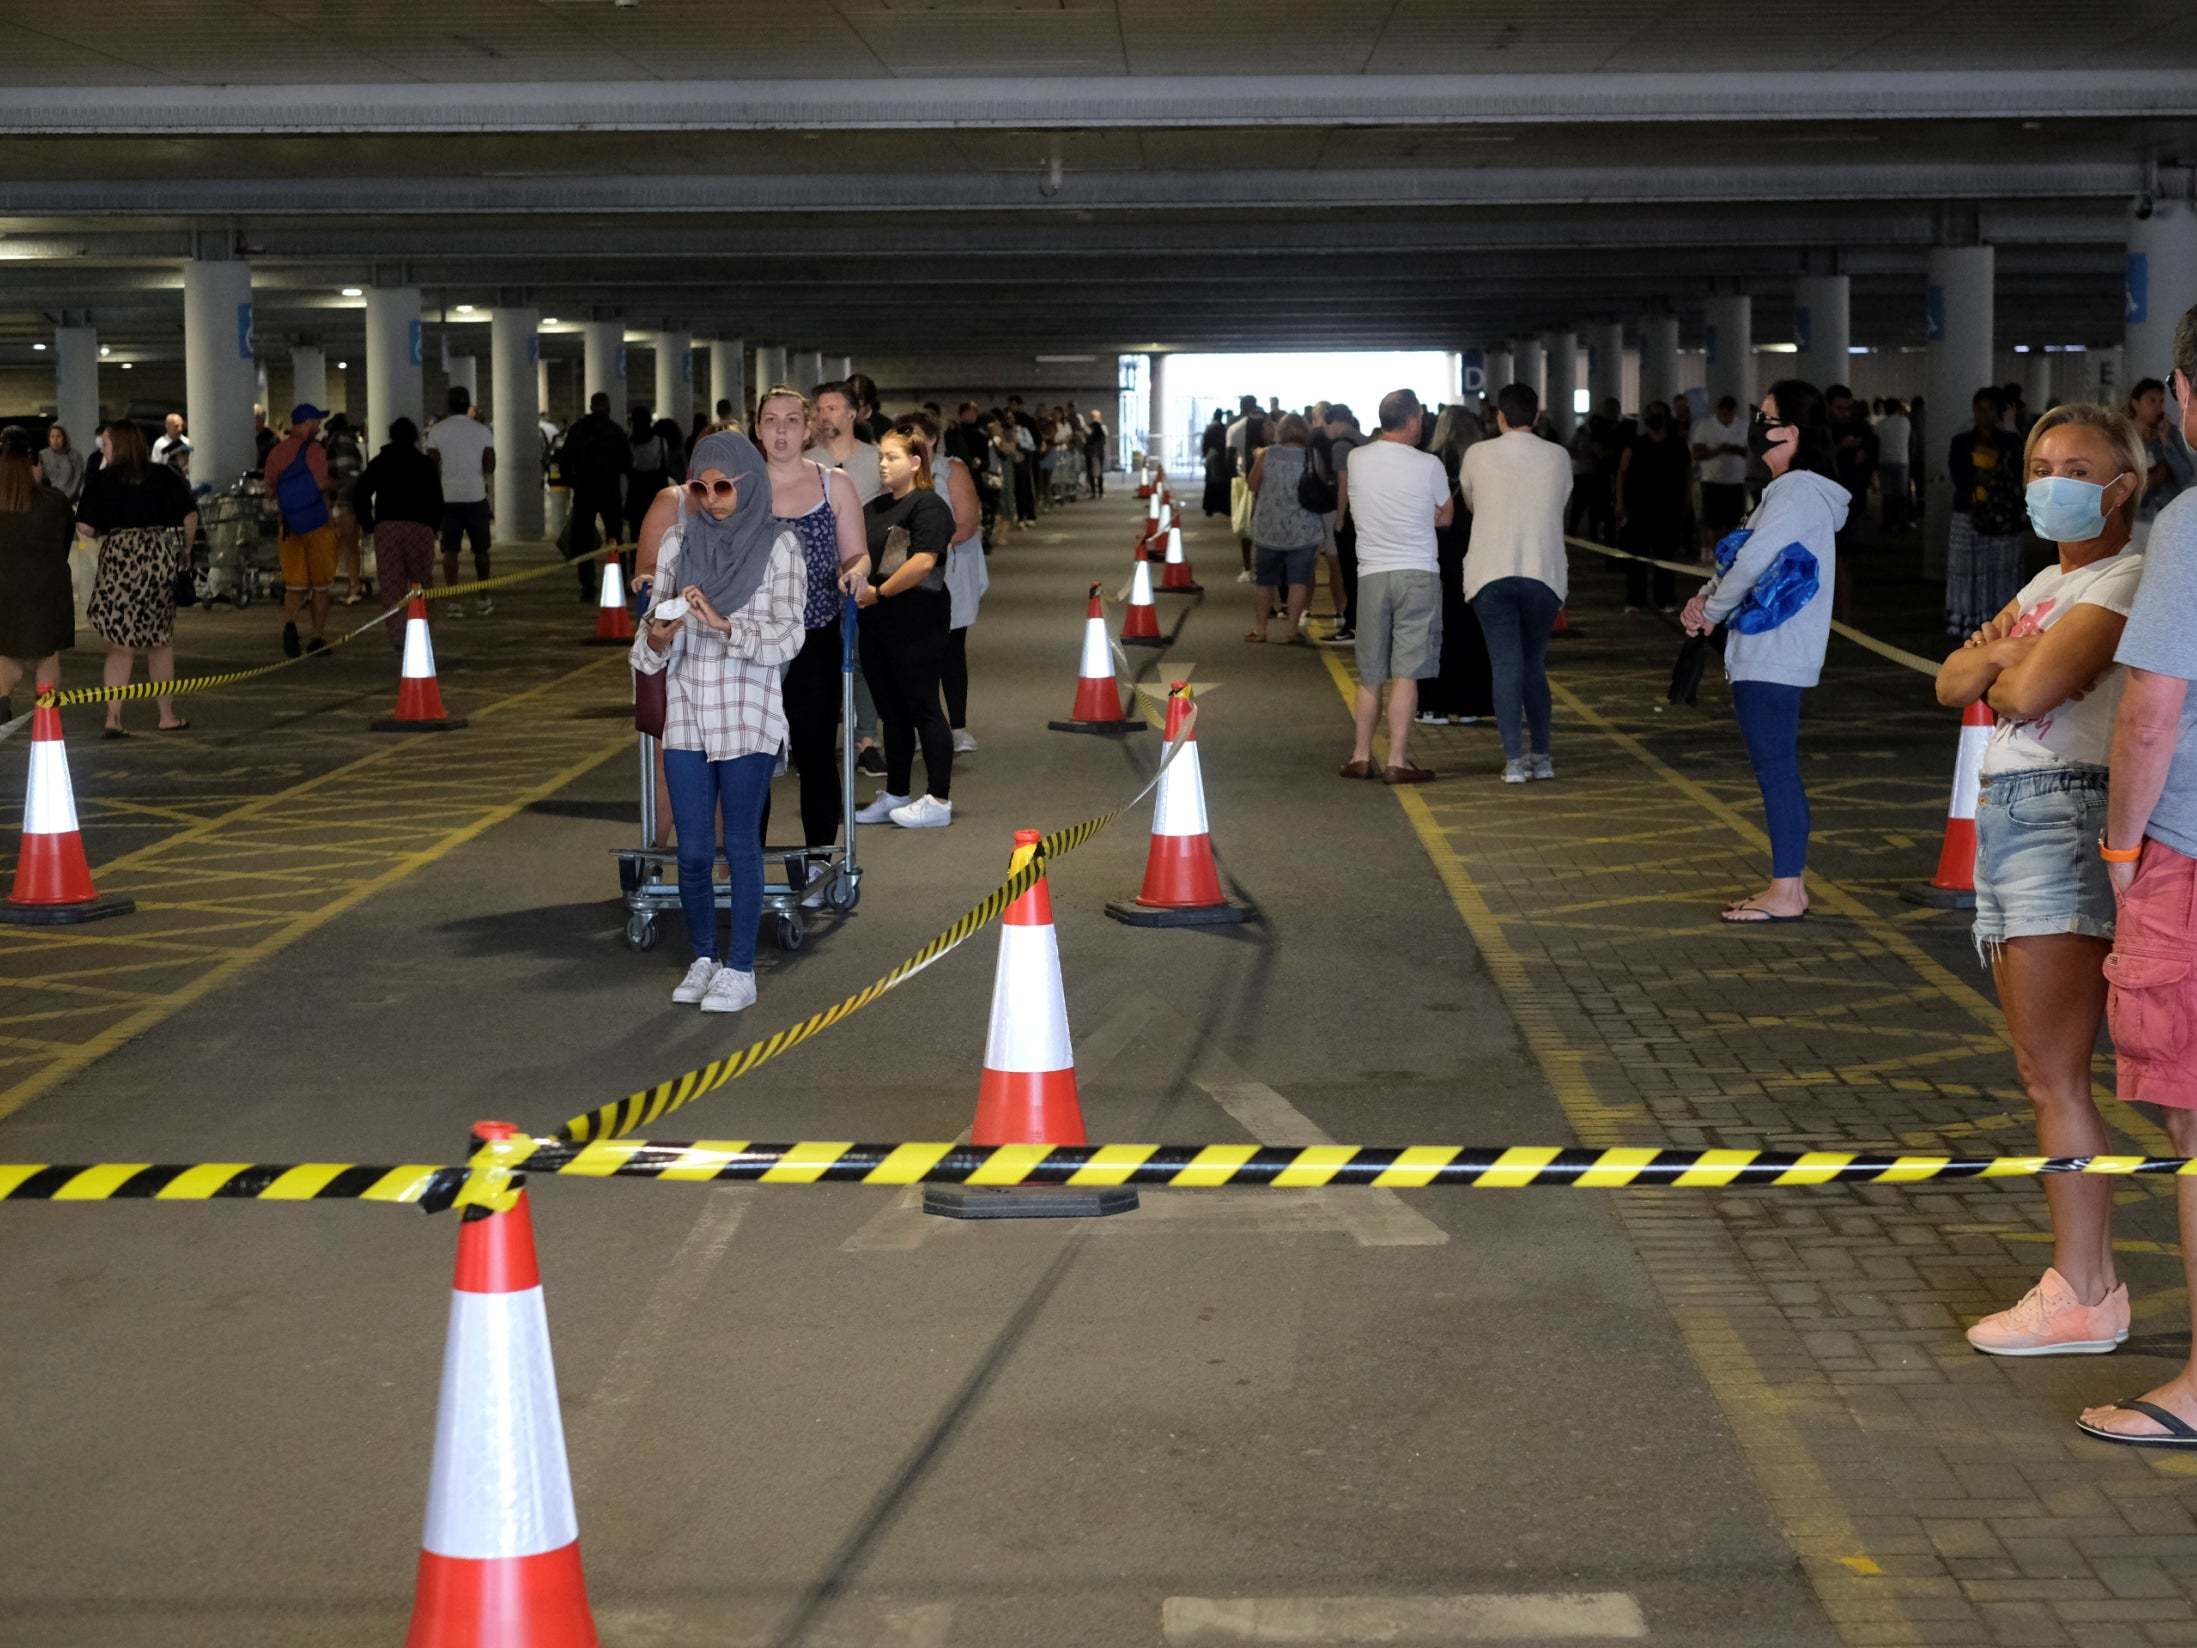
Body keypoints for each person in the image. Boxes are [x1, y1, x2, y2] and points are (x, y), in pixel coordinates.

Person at [1931, 402, 2146, 1360]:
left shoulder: (2127, 575)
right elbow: (1947, 681)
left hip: (2060, 811)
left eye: (2076, 464)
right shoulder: (2043, 582)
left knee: (2055, 1073)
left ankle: (2085, 1290)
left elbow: (2017, 694)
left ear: (2123, 484)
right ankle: (2083, 1284)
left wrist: (2006, 658)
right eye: (2041, 463)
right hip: (2018, 816)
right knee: (2041, 1071)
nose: (2051, 479)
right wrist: (2000, 657)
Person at [2081, 307, 2197, 1446]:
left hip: (2194, 856)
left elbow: (2150, 711)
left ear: (2181, 392)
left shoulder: (2193, 526)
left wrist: (2122, 850)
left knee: (2194, 1131)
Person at [630, 430, 806, 1016]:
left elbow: (789, 635)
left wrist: (727, 627)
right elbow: (645, 649)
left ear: (749, 483)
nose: (713, 498)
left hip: (748, 714)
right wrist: (658, 635)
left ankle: (740, 969)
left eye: (724, 486)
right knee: (696, 851)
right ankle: (703, 957)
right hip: (686, 714)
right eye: (701, 487)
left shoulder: (781, 545)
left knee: (742, 845)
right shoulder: (679, 544)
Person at [1680, 379, 1847, 922]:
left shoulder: (1798, 491)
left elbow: (1751, 565)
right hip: (1767, 647)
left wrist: (1711, 611)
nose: (1756, 424)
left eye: (1765, 416)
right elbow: (1743, 559)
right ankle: (1786, 885)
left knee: (1776, 769)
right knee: (1775, 767)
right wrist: (1703, 598)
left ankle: (1787, 889)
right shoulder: (1788, 492)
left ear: (1791, 432)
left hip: (1774, 650)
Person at [745, 384, 868, 851]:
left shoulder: (832, 484)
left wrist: (855, 573)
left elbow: (857, 554)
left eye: (792, 420)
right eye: (771, 420)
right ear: (757, 430)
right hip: (750, 642)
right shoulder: (739, 487)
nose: (781, 430)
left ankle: (819, 853)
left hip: (813, 635)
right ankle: (747, 856)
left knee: (815, 752)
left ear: (808, 428)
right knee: (752, 758)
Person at [1337, 389, 1452, 783]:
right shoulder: (1430, 465)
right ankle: (1398, 760)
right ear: (1414, 420)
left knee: (1370, 673)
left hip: (1371, 574)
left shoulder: (1357, 458)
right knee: (1407, 672)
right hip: (1418, 571)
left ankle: (1360, 756)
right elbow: (1446, 516)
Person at [1460, 382, 1572, 781]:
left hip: (1491, 572)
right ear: (1538, 416)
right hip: (1543, 572)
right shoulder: (1558, 456)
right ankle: (1542, 757)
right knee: (1533, 663)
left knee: (1505, 664)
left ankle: (1512, 761)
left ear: (1499, 417)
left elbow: (1471, 503)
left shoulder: (1477, 454)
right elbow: (1560, 501)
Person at [852, 422, 957, 829]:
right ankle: (896, 792)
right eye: (880, 456)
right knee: (892, 713)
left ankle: (938, 799)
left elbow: (923, 562)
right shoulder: (874, 509)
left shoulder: (927, 506)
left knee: (924, 707)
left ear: (916, 462)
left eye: (892, 456)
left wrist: (879, 593)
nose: (882, 464)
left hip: (918, 621)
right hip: (878, 624)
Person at [76, 419, 197, 735]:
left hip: (120, 558)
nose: (103, 447)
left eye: (107, 442)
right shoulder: (163, 474)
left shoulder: (101, 480)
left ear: (119, 444)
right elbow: (190, 513)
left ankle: (113, 718)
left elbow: (86, 527)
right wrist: (185, 549)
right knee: (160, 641)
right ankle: (166, 715)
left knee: (120, 644)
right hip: (158, 555)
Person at [1419, 406, 1493, 725]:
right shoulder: (1484, 462)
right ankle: (1470, 704)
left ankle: (1433, 703)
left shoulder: (1430, 460)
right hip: (1475, 551)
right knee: (1471, 627)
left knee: (1435, 629)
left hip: (1436, 551)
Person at [0, 426, 76, 721]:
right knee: (48, 655)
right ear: (35, 462)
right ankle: (46, 717)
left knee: (5, 654)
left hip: (5, 588)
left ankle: (2, 706)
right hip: (48, 588)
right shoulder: (55, 501)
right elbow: (65, 542)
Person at [351, 417, 443, 648]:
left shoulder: (381, 462)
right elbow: (436, 498)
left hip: (388, 527)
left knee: (392, 584)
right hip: (419, 527)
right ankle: (422, 632)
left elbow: (360, 493)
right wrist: (434, 526)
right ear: (414, 437)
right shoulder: (424, 464)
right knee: (421, 582)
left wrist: (369, 523)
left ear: (391, 436)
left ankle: (398, 636)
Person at [1948, 387, 2029, 636]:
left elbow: (2019, 475)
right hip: (1969, 515)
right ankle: (1967, 622)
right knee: (1967, 569)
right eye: (1979, 408)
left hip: (2002, 518)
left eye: (1989, 409)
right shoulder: (1961, 442)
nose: (1983, 414)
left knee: (2001, 570)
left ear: (1998, 412)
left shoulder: (2011, 442)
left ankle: (2000, 622)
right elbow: (1959, 477)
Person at [262, 402, 338, 657]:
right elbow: (319, 483)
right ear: (306, 423)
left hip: (289, 526)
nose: (319, 425)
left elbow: (270, 488)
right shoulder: (315, 450)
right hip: (318, 524)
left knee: (295, 585)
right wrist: (331, 484)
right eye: (317, 421)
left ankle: (291, 626)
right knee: (321, 586)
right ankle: (317, 636)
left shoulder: (276, 452)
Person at [1244, 413, 1323, 643]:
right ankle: (1292, 630)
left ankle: (1260, 629)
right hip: (1304, 527)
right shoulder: (1312, 456)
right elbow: (1320, 483)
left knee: (1265, 580)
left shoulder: (1267, 454)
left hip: (1269, 527)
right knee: (1298, 580)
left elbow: (1252, 484)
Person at [425, 386, 496, 614]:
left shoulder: (437, 431)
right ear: (469, 405)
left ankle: (453, 601)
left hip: (447, 498)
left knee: (450, 551)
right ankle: (483, 597)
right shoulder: (482, 430)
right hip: (475, 496)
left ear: (448, 405)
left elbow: (431, 465)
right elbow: (490, 465)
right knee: (482, 551)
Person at [1615, 400, 1690, 611]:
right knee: (1636, 556)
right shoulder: (1635, 444)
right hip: (1638, 509)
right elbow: (1621, 473)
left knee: (1666, 557)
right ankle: (1634, 599)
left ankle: (1665, 598)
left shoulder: (1678, 445)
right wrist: (1620, 503)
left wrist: (1686, 503)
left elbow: (1687, 475)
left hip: (1668, 509)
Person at [559, 392, 631, 598]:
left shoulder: (578, 430)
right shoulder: (615, 431)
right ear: (608, 408)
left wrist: (573, 481)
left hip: (584, 489)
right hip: (609, 490)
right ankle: (619, 581)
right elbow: (627, 463)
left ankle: (587, 586)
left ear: (590, 407)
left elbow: (564, 460)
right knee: (615, 538)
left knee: (583, 540)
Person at [2131, 376, 2194, 551]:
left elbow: (2186, 475)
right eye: (2151, 400)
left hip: (2169, 514)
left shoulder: (2171, 433)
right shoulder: (2126, 436)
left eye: (2161, 401)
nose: (2158, 406)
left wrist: (2166, 441)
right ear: (2136, 403)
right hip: (2137, 517)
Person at [1321, 403, 1365, 642]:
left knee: (1349, 571)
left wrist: (1339, 517)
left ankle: (1352, 624)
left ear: (1335, 422)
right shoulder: (1365, 441)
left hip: (1350, 516)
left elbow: (1343, 483)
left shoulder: (1340, 446)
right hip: (1368, 513)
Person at [806, 383, 884, 505]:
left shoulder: (877, 458)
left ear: (851, 414)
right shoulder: (806, 461)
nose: (824, 416)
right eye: (820, 410)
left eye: (832, 409)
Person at [1692, 395, 1750, 556]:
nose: (1727, 417)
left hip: (1736, 482)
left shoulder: (1743, 426)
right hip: (1711, 480)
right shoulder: (1705, 426)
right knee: (1710, 521)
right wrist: (1717, 451)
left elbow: (1752, 452)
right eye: (1724, 413)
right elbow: (1697, 453)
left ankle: (1730, 554)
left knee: (1734, 521)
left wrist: (1735, 449)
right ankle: (1707, 553)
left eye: (1730, 414)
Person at [323, 414, 368, 602]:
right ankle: (354, 586)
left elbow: (342, 474)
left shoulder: (335, 444)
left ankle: (336, 586)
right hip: (355, 500)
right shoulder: (351, 443)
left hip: (343, 501)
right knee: (352, 546)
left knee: (341, 545)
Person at [626, 406, 672, 548]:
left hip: (636, 494)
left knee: (636, 536)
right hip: (656, 494)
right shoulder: (660, 442)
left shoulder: (630, 444)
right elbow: (665, 465)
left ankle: (636, 565)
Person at [1874, 399, 1913, 533]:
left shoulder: (1880, 424)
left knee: (1887, 494)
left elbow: (1876, 440)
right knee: (1901, 495)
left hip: (1884, 461)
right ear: (1898, 408)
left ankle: (1887, 523)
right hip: (1902, 461)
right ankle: (1902, 523)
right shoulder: (1905, 422)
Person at [38, 424, 84, 505]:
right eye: (52, 436)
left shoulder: (75, 455)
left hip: (70, 499)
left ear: (64, 438)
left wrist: (68, 497)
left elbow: (78, 477)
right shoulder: (43, 455)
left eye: (58, 436)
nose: (55, 440)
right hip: (50, 500)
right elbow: (39, 478)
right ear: (49, 439)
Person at [1200, 408, 1232, 517]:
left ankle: (1209, 508)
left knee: (1210, 482)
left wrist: (1204, 454)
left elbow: (1205, 443)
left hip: (1211, 455)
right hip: (1219, 456)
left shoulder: (1210, 427)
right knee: (1221, 482)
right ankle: (1221, 507)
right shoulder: (1222, 428)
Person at [149, 412, 190, 480]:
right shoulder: (160, 444)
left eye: (181, 425)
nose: (180, 429)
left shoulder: (187, 441)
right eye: (176, 426)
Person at [1084, 407, 1108, 497]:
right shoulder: (1101, 427)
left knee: (1093, 472)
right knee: (1097, 472)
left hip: (1093, 452)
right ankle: (1098, 492)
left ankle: (1095, 492)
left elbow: (1087, 438)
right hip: (1097, 452)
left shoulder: (1092, 427)